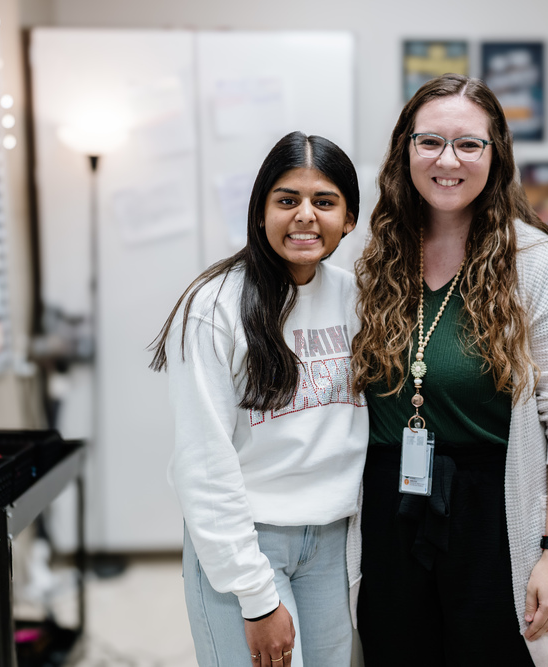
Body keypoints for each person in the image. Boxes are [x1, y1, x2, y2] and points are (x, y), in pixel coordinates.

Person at [350, 74, 548, 667]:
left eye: (468, 144)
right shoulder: (375, 256)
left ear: (496, 155)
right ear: (405, 149)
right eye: (430, 141)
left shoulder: (535, 260)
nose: (448, 160)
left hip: (493, 510)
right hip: (387, 506)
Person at [149, 131, 367, 667]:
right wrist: (254, 593)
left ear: (349, 219)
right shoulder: (214, 306)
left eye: (324, 202)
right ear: (260, 212)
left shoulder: (356, 297)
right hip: (247, 539)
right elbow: (203, 460)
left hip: (334, 541)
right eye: (287, 200)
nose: (305, 216)